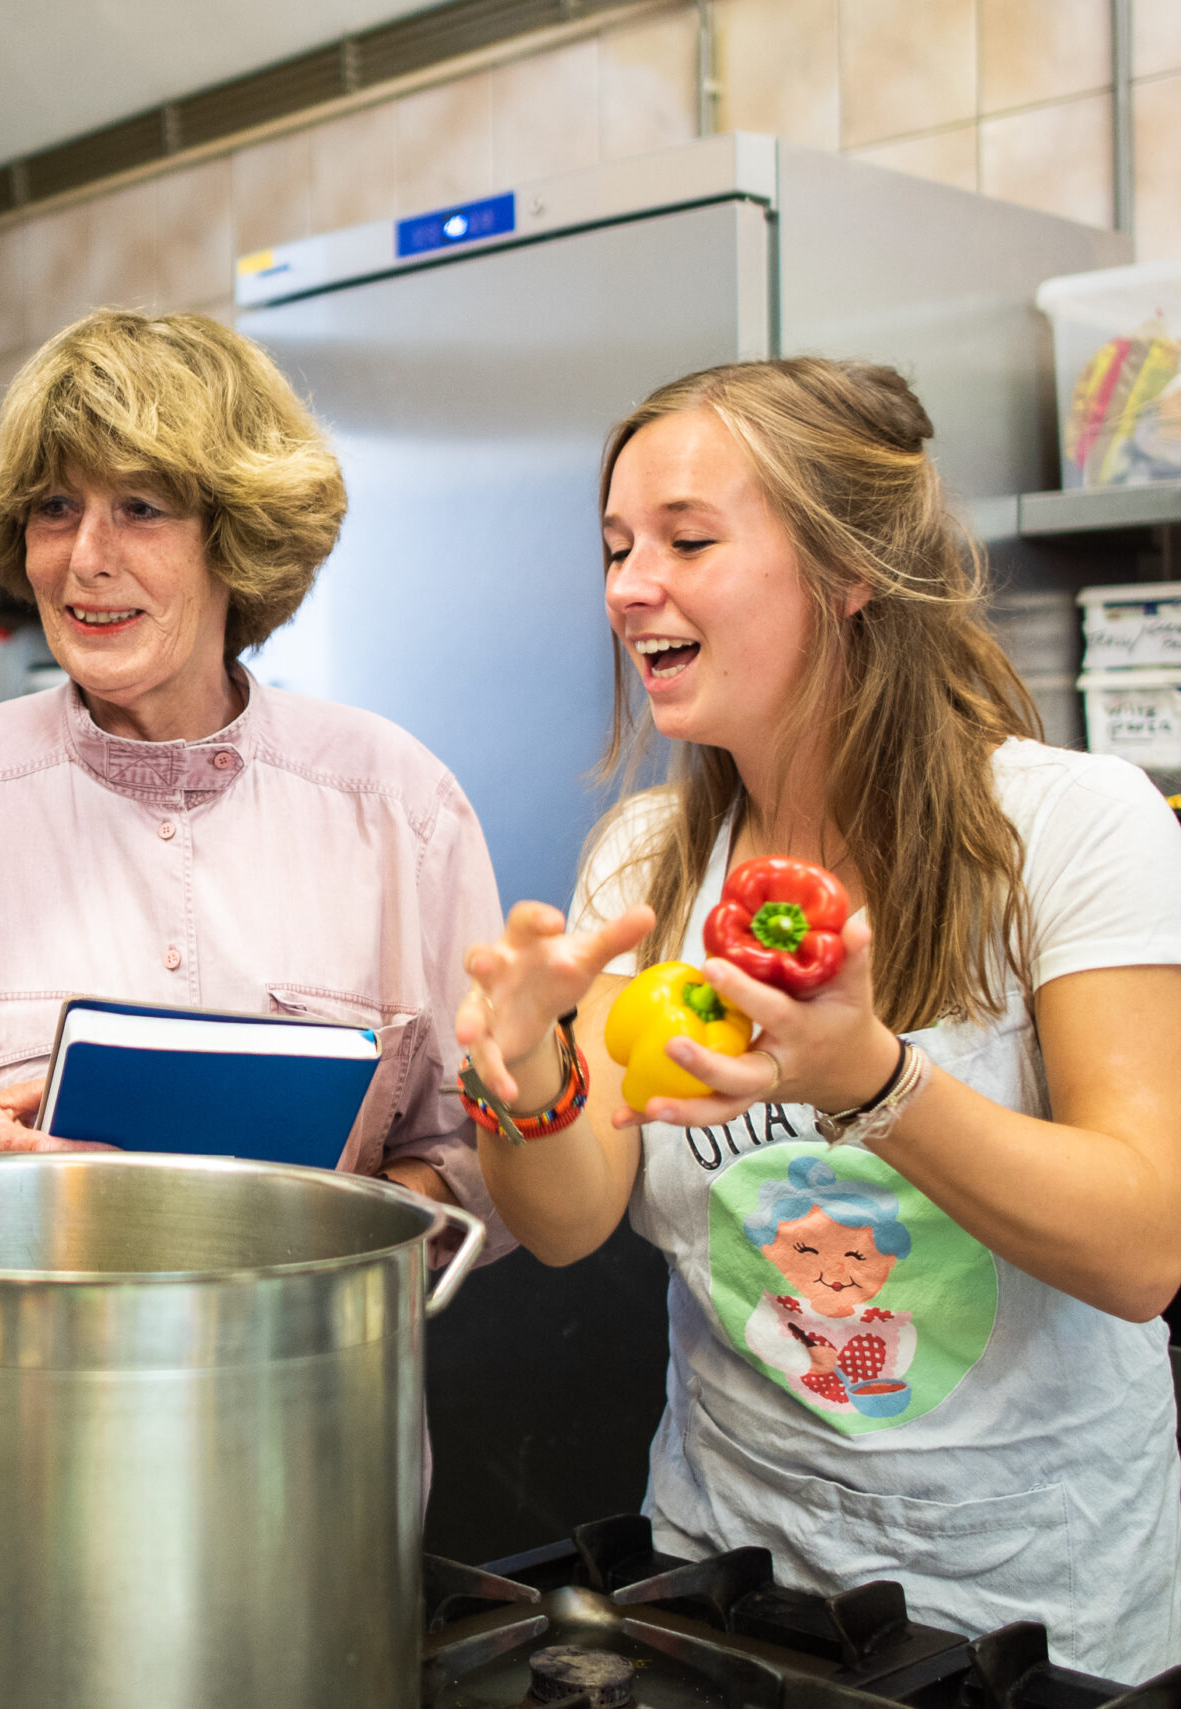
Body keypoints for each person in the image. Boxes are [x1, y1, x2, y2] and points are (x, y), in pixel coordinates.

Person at [454, 357, 1181, 1674]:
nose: (629, 586)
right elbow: (568, 1222)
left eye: (687, 539)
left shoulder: (1077, 827)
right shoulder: (648, 857)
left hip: (1038, 1626)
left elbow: (1143, 1244)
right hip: (727, 1597)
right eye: (618, 546)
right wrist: (525, 1082)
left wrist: (872, 1079)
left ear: (849, 570)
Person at [0, 308, 507, 1234]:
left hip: (304, 1368)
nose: (85, 559)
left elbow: (481, 1150)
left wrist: (332, 1224)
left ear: (236, 537)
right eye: (54, 508)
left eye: (141, 508)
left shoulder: (399, 804)